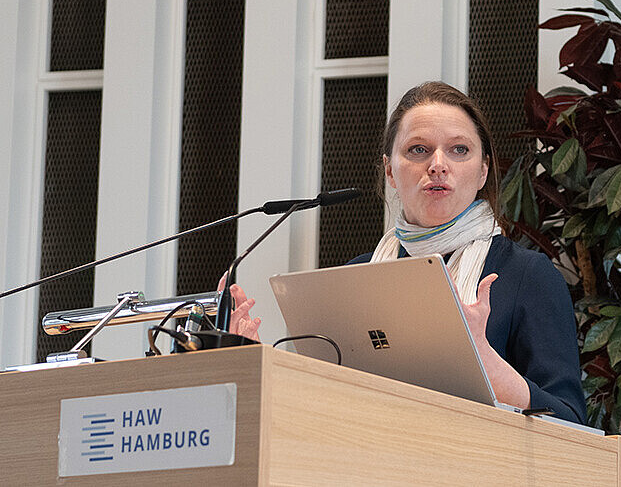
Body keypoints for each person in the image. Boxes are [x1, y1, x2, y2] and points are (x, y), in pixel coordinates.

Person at [227, 81, 586, 424]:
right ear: (390, 171)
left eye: (459, 149)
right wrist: (255, 364)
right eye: (418, 150)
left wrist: (487, 365)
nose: (438, 164)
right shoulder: (355, 277)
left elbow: (572, 422)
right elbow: (320, 405)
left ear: (483, 171)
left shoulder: (526, 275)